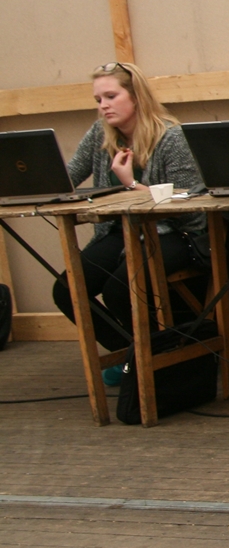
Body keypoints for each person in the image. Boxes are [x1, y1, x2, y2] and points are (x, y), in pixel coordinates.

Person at [51, 62, 207, 356]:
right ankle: (131, 355)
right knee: (67, 289)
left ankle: (159, 359)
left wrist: (132, 184)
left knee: (120, 289)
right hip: (120, 231)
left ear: (136, 96)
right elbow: (66, 178)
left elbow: (190, 205)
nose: (103, 106)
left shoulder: (171, 137)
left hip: (174, 233)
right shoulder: (101, 133)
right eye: (98, 99)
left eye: (111, 97)